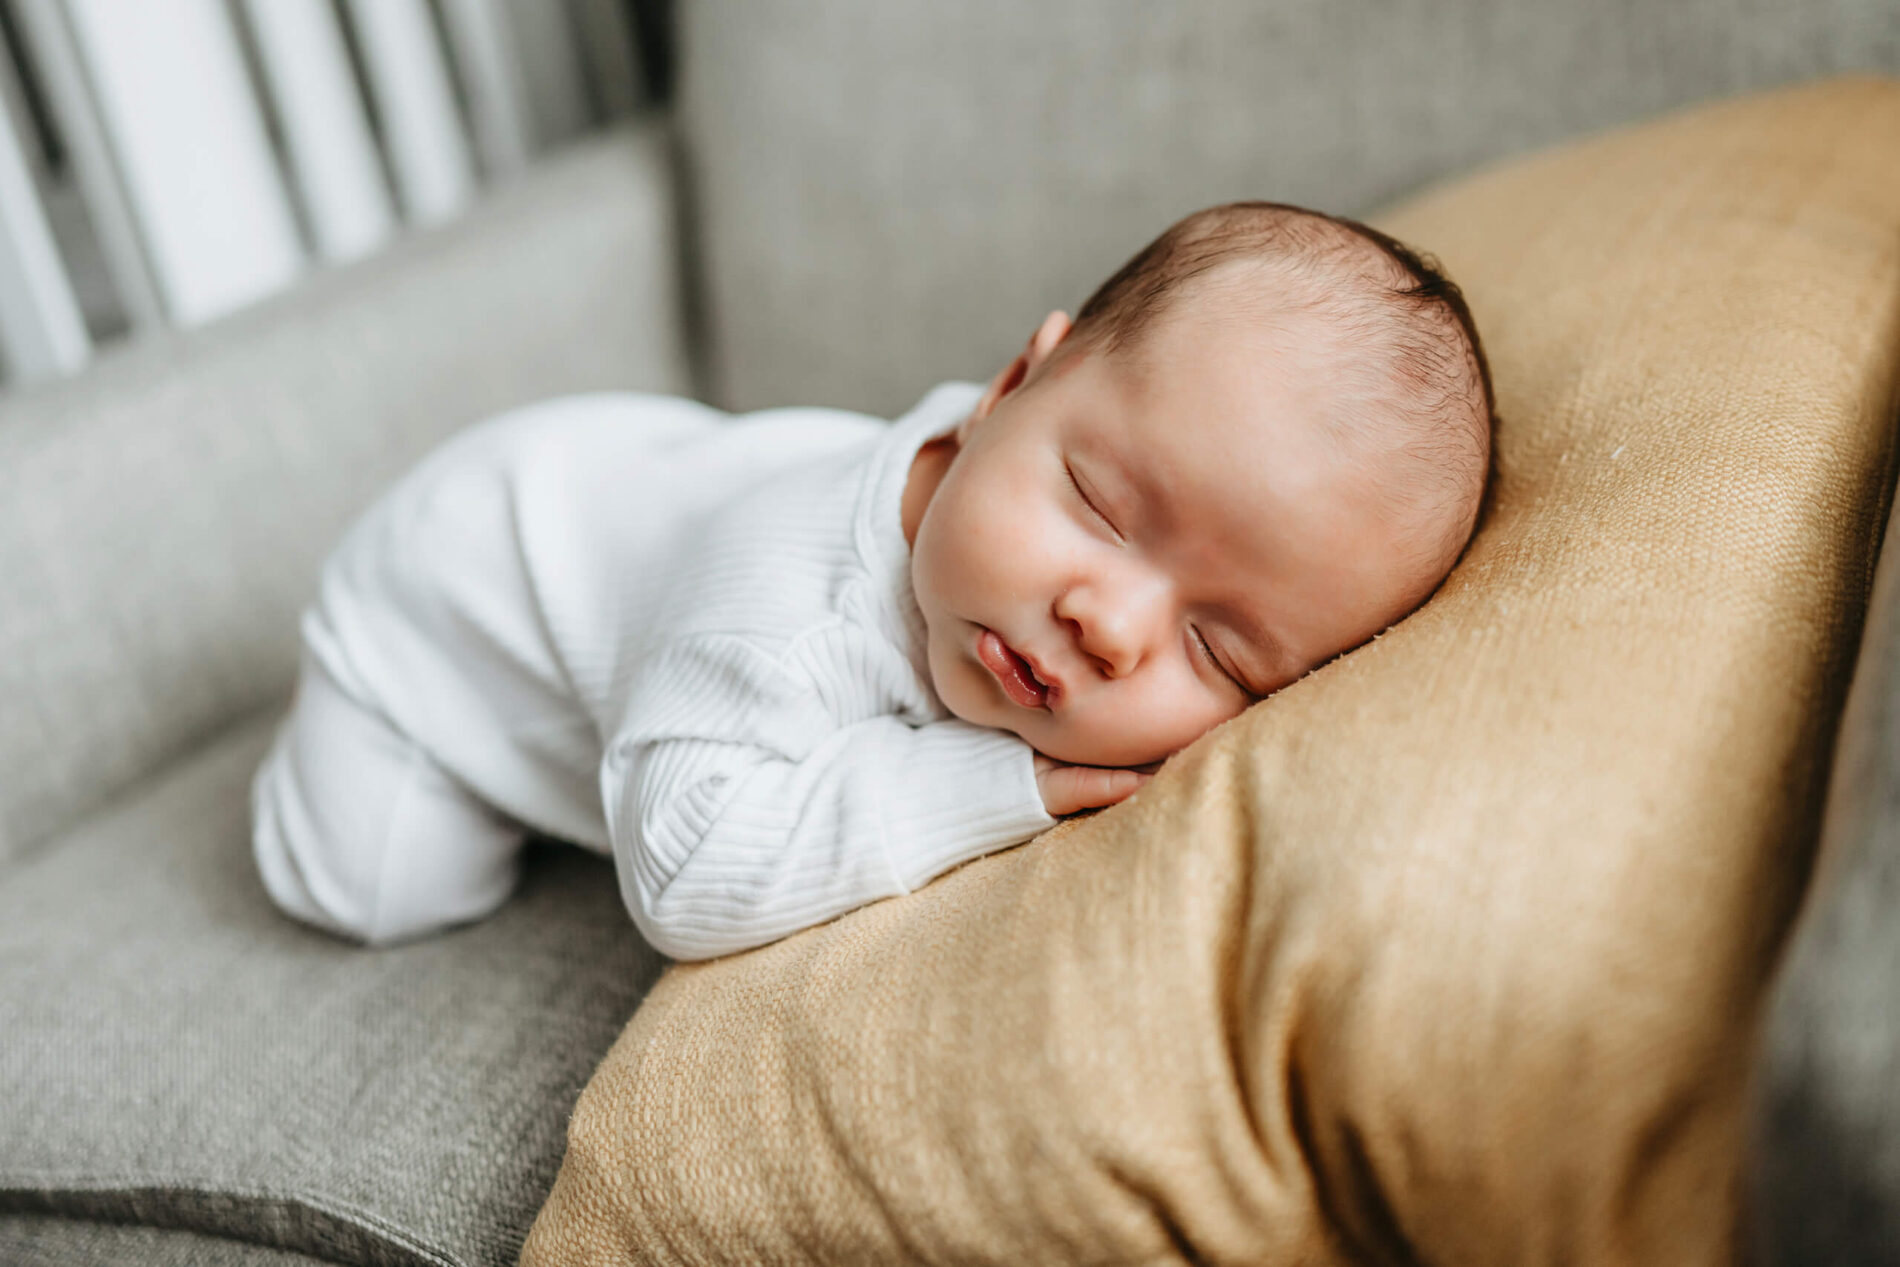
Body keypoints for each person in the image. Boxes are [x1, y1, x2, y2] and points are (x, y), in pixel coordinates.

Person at [251, 201, 1494, 961]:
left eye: (1219, 652)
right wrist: (987, 781)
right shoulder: (788, 604)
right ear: (1012, 384)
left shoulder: (1002, 508)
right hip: (438, 603)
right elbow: (680, 871)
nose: (1107, 625)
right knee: (377, 885)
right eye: (1103, 508)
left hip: (635, 503)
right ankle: (356, 730)